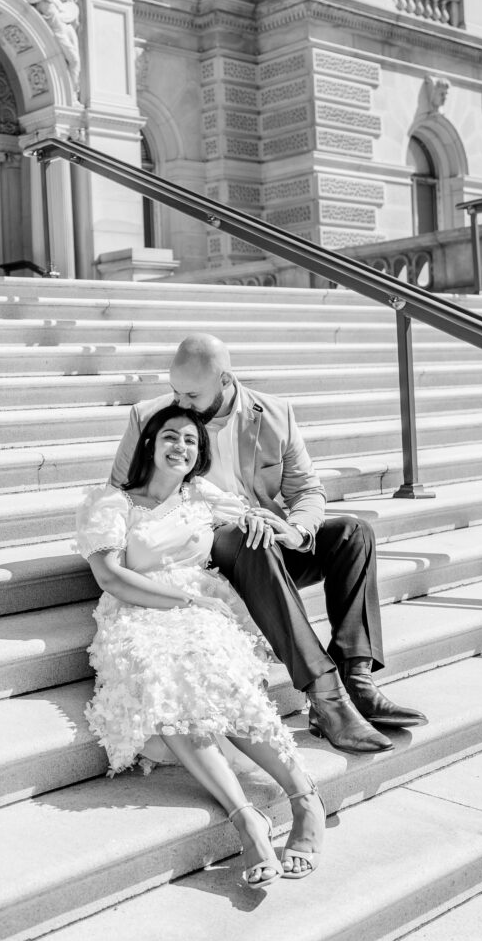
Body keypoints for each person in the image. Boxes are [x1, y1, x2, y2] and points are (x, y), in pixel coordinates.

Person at [111, 335, 427, 755]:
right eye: (174, 391)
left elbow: (307, 491)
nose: (179, 404)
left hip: (269, 541)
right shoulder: (149, 417)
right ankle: (327, 699)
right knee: (249, 537)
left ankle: (358, 679)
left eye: (191, 394)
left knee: (353, 533)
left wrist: (294, 531)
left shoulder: (275, 414)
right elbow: (123, 492)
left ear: (225, 379)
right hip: (203, 545)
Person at [77, 404, 326, 888]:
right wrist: (183, 597)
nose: (181, 447)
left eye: (191, 442)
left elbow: (252, 515)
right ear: (149, 443)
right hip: (137, 610)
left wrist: (259, 524)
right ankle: (247, 819)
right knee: (160, 677)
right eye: (171, 437)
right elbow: (110, 576)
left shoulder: (202, 496)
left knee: (209, 670)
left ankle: (304, 795)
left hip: (205, 607)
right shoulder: (112, 503)